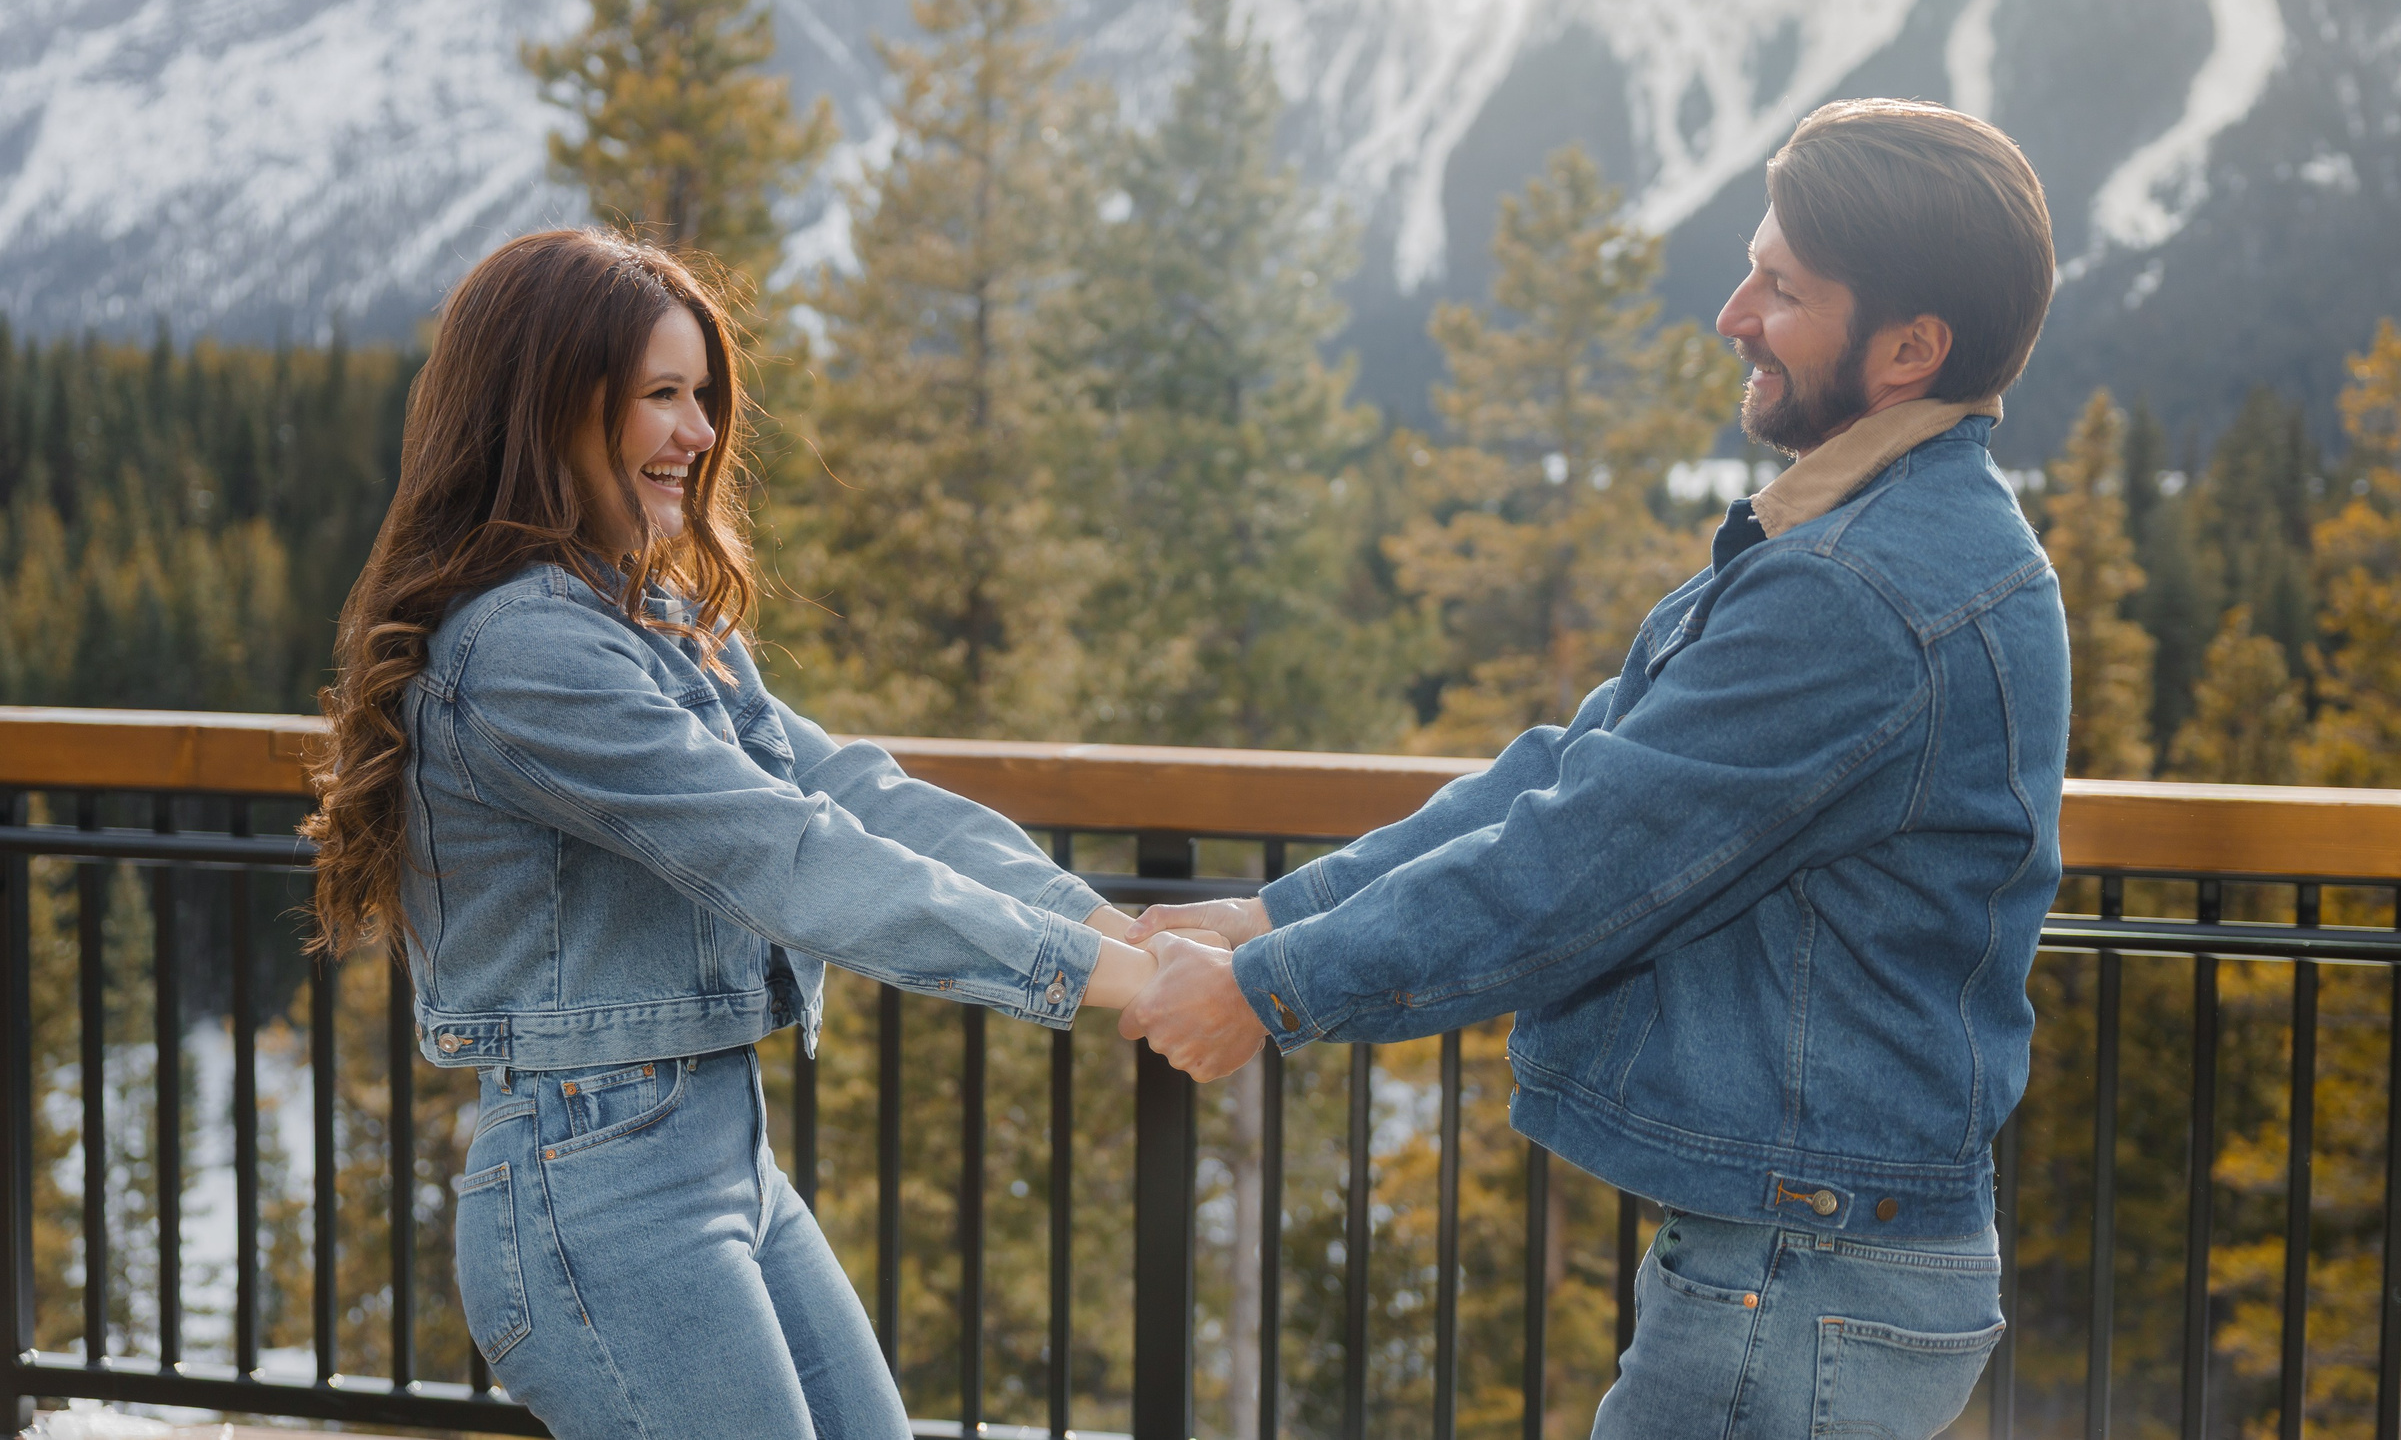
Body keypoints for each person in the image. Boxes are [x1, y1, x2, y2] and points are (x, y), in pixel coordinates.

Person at [1121, 99, 2070, 1438]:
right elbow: (1567, 771)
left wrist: (1271, 992)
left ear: (1912, 348)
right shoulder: (1872, 536)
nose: (1733, 310)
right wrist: (1279, 913)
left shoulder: (1860, 590)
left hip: (1800, 1270)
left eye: (1782, 287)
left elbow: (1583, 859)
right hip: (1805, 1255)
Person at [300, 228, 1202, 1440]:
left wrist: (1100, 923)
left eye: (704, 397)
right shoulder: (524, 653)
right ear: (547, 405)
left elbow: (855, 794)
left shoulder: (643, 616)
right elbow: (787, 855)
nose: (701, 433)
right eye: (661, 397)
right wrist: (1117, 981)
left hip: (717, 1159)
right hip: (600, 1190)